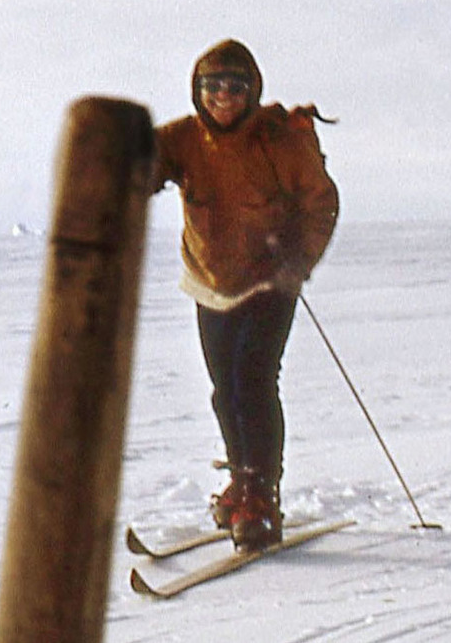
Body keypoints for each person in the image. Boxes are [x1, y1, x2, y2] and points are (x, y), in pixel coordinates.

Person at [153, 39, 339, 551]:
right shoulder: (183, 139)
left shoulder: (279, 141)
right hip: (210, 281)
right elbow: (143, 166)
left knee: (252, 381)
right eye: (213, 86)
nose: (224, 96)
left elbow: (320, 201)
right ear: (198, 90)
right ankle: (242, 479)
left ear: (252, 90)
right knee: (223, 388)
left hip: (268, 280)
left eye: (235, 86)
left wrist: (294, 262)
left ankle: (260, 495)